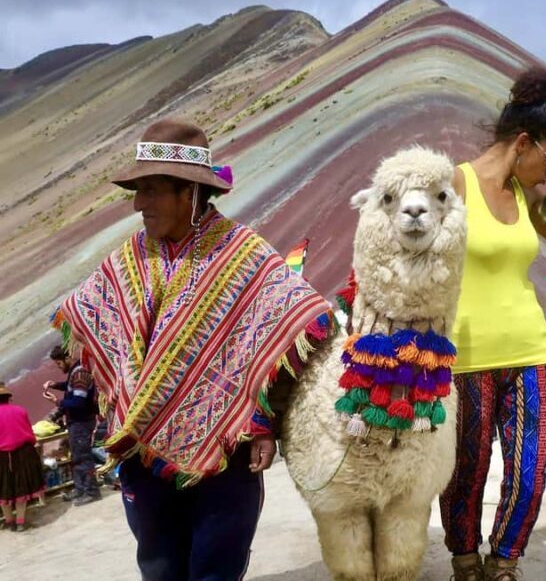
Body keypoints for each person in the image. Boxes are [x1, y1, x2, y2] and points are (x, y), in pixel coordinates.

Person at [52, 119, 335, 581]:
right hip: (141, 450)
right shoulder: (128, 260)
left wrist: (262, 420)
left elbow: (295, 323)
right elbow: (88, 325)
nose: (139, 205)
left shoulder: (245, 257)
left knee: (215, 570)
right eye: (137, 192)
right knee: (159, 569)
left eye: (151, 190)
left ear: (191, 192)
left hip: (226, 451)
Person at [439, 66, 546, 581]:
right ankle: (465, 559)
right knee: (466, 472)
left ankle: (505, 562)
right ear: (523, 142)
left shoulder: (530, 198)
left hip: (531, 349)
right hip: (466, 354)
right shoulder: (456, 184)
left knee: (532, 471)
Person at [44, 345, 101, 505]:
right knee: (76, 458)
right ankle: (80, 488)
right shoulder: (75, 372)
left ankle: (91, 491)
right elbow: (70, 386)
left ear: (67, 358)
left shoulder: (80, 373)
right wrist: (55, 385)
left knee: (83, 458)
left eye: (59, 364)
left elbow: (78, 402)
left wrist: (57, 401)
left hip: (82, 422)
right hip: (77, 422)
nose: (59, 367)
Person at [0, 384, 45, 532]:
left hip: (1, 457)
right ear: (9, 397)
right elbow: (30, 434)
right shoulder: (21, 411)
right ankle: (20, 521)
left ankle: (8, 520)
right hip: (23, 453)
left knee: (2, 489)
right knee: (21, 487)